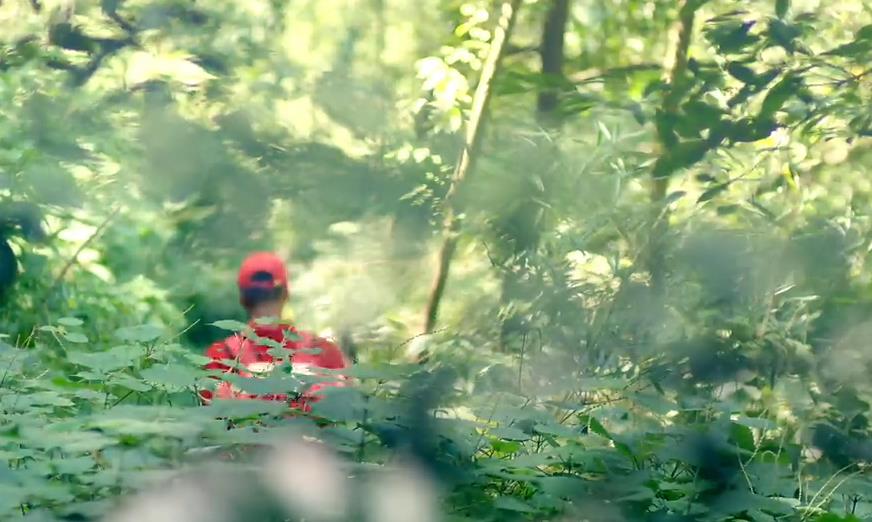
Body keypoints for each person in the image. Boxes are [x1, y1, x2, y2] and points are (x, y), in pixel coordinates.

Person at [199, 252, 349, 412]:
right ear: (286, 294)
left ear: (242, 299)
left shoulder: (221, 356)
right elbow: (348, 409)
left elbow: (209, 422)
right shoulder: (323, 351)